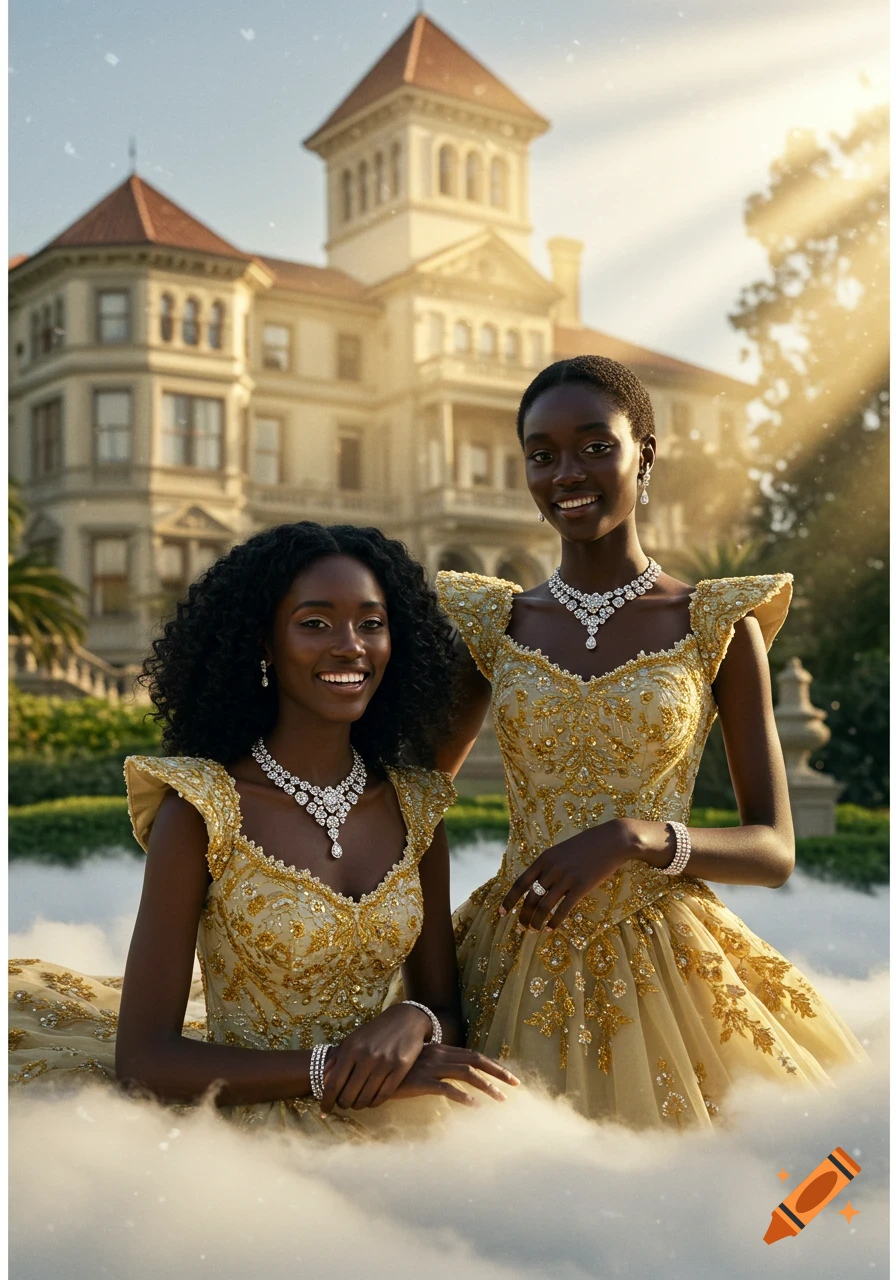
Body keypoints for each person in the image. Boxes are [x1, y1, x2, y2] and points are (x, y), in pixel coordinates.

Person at [434, 355, 868, 1130]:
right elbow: (414, 812)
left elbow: (774, 850)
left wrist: (637, 838)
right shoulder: (493, 625)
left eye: (596, 445)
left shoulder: (715, 623)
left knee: (757, 1197)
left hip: (671, 965)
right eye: (543, 455)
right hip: (509, 959)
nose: (568, 472)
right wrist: (434, 996)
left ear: (646, 454)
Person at [9, 522, 517, 1138]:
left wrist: (412, 1021)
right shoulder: (201, 811)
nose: (350, 645)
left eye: (371, 623)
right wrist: (328, 1071)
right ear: (263, 645)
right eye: (315, 623)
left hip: (395, 1115)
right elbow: (143, 1062)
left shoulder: (416, 808)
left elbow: (444, 1010)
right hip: (236, 1135)